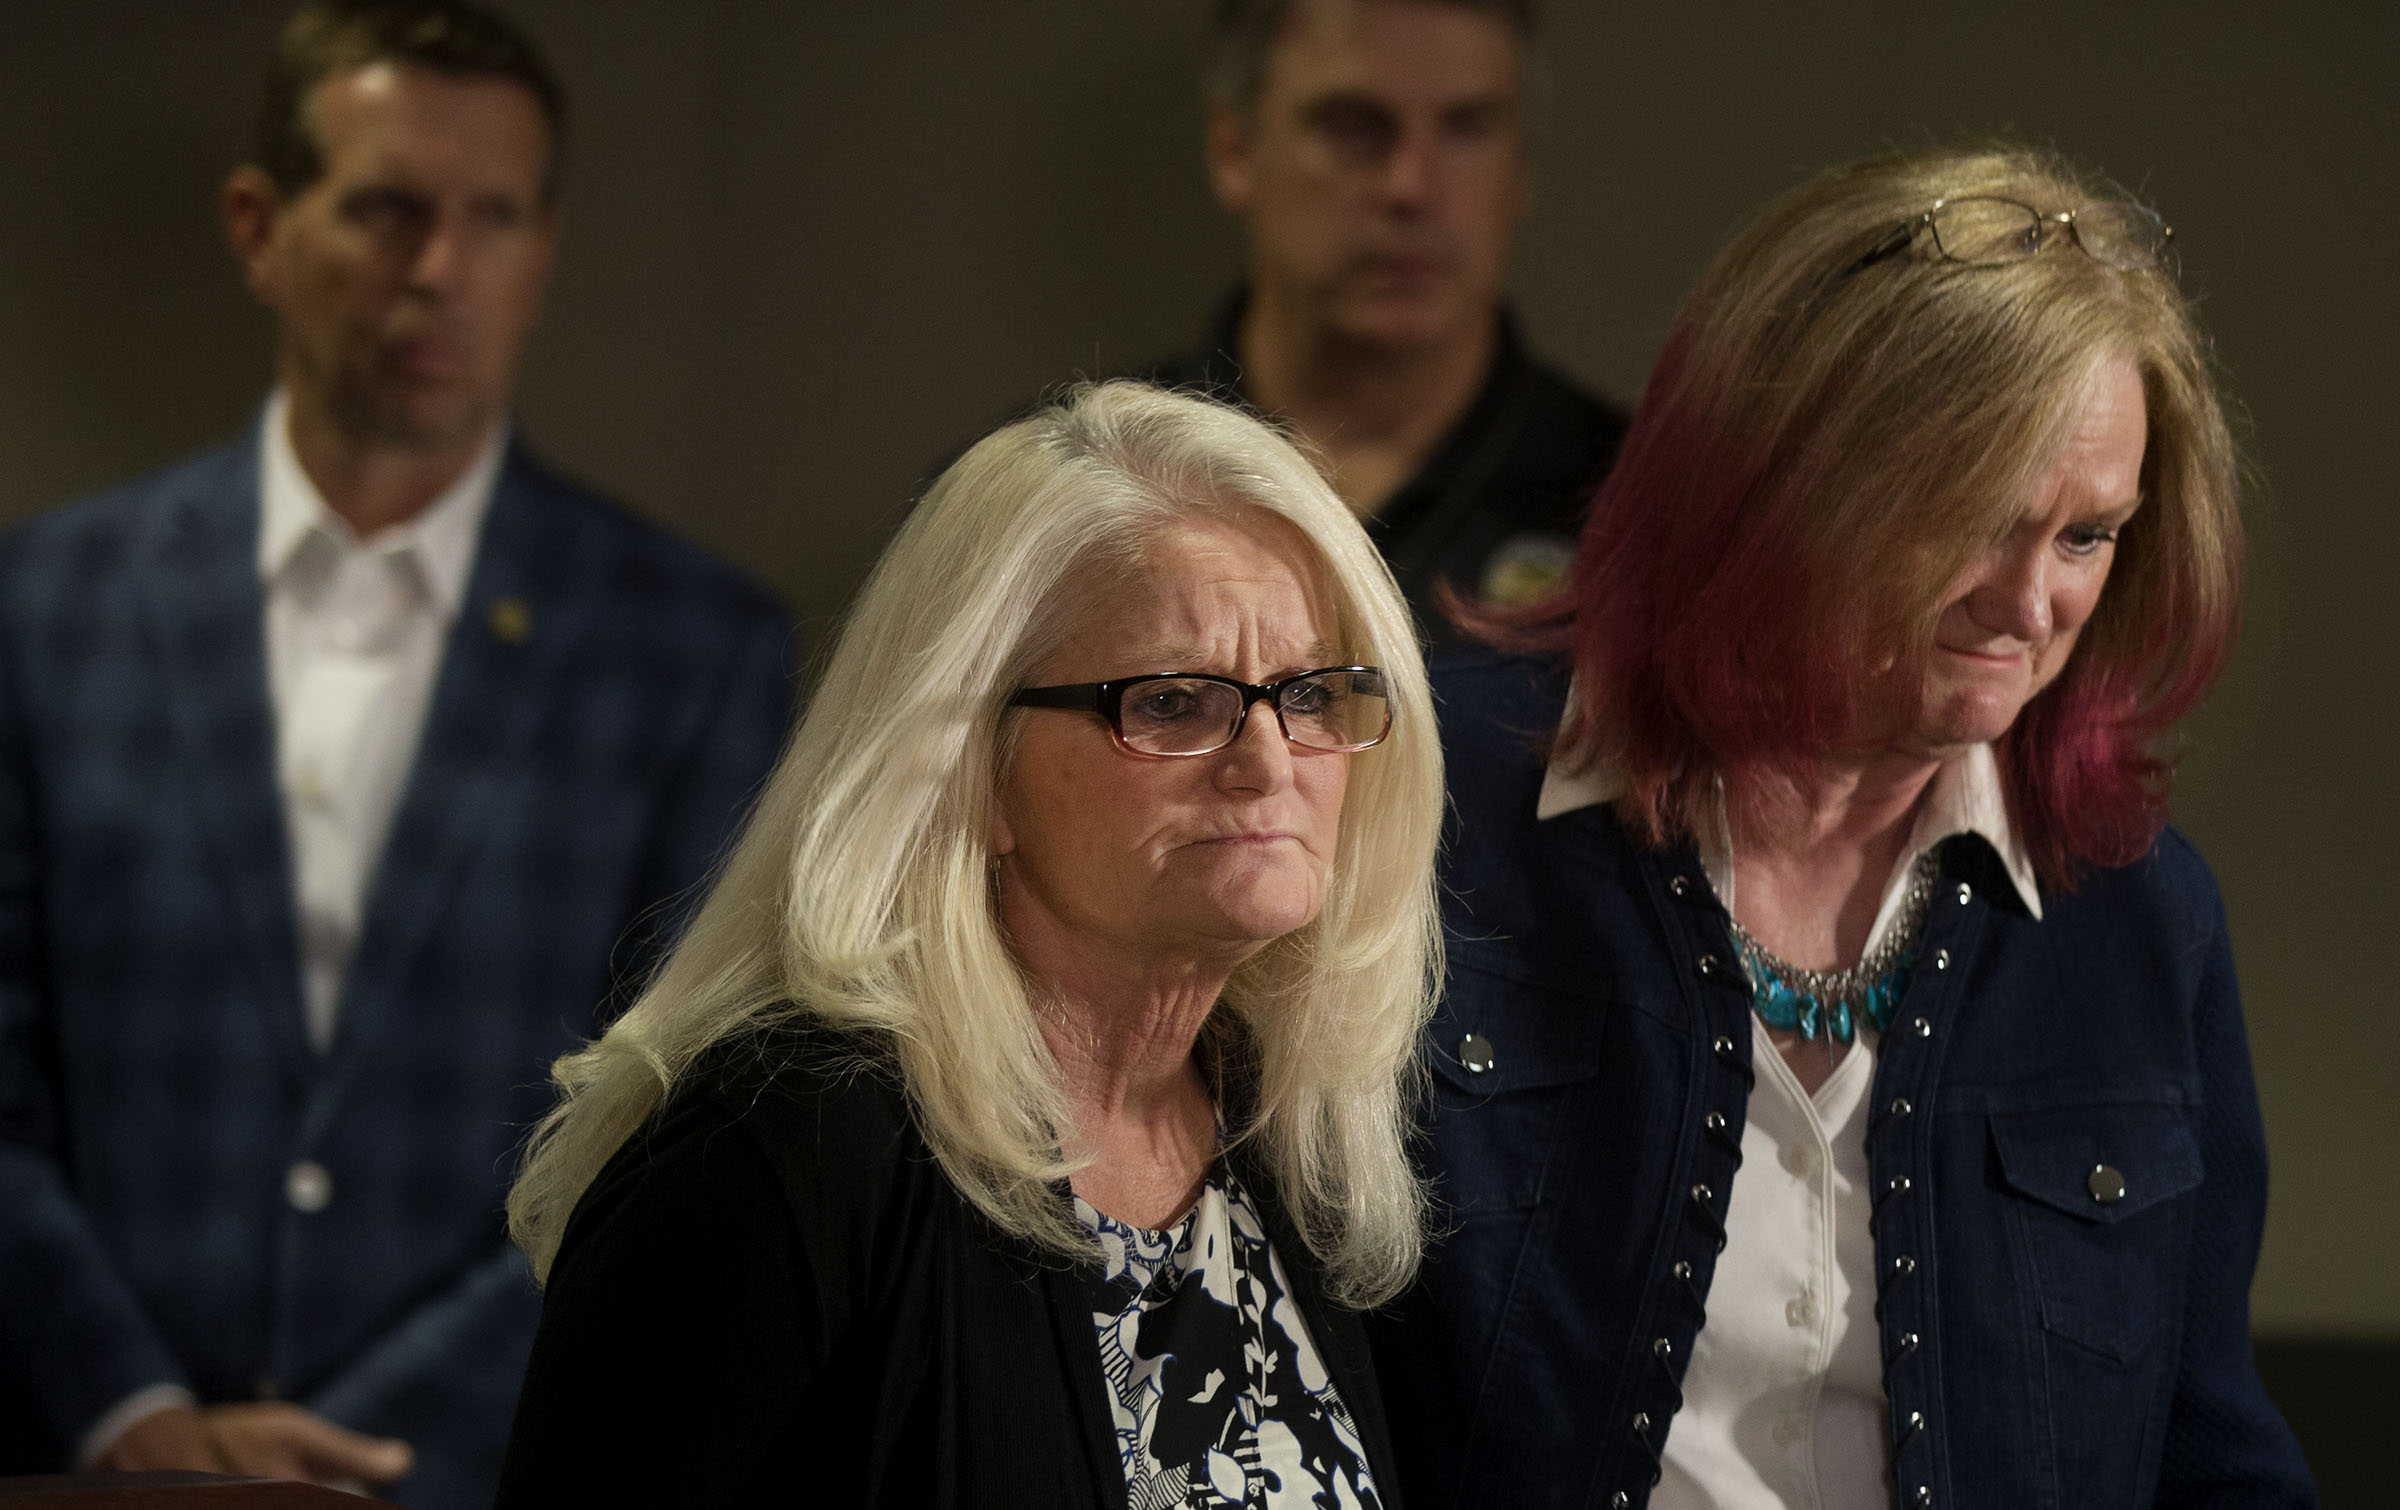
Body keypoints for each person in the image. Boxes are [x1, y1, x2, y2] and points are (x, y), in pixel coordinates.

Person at [1368, 146, 2316, 1508]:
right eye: (1979, 517)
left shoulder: (2143, 918)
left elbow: (2212, 1456)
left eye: (2088, 536)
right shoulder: (1422, 801)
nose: (2029, 604)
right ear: (1771, 478)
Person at [0, 3, 792, 1504]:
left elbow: (675, 1124)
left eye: (493, 217)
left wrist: (375, 1461)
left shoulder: (691, 648)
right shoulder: (39, 611)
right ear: (260, 228)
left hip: (491, 1469)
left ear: (544, 250)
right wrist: (134, 1416)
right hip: (91, 1461)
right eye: (385, 209)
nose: (439, 267)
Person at [497, 381, 1443, 1507]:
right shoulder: (778, 1152)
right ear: (972, 771)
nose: (1268, 761)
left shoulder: (1279, 1127)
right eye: (1172, 702)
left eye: (1313, 694)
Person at [1147, 0, 1626, 640]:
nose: (1411, 186)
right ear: (1234, 151)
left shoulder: (1642, 510)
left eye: (1467, 128)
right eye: (1353, 128)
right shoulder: (1068, 492)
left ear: (1520, 167)